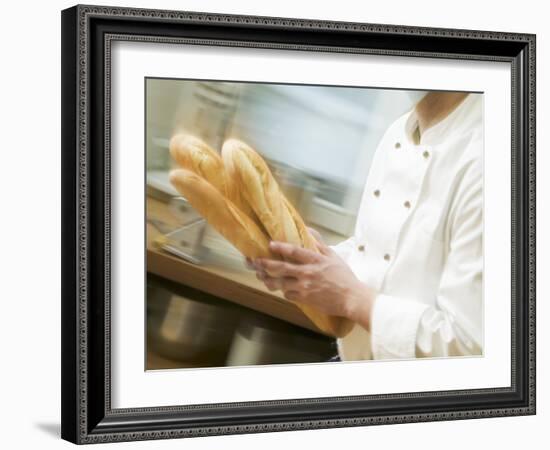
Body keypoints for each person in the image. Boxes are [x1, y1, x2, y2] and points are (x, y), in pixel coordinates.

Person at [247, 91, 483, 361]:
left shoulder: (486, 162)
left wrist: (350, 297)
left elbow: (469, 349)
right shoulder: (398, 132)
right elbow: (377, 256)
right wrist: (313, 258)